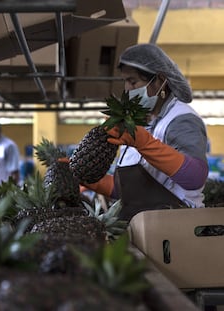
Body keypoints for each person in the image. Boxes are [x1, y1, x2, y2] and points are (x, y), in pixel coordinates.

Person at [82, 43, 209, 221]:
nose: (127, 89)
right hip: (146, 225)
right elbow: (130, 191)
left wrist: (145, 143)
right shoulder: (139, 123)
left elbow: (195, 177)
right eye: (125, 81)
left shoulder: (181, 118)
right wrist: (89, 180)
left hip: (178, 226)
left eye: (133, 81)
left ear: (160, 81)